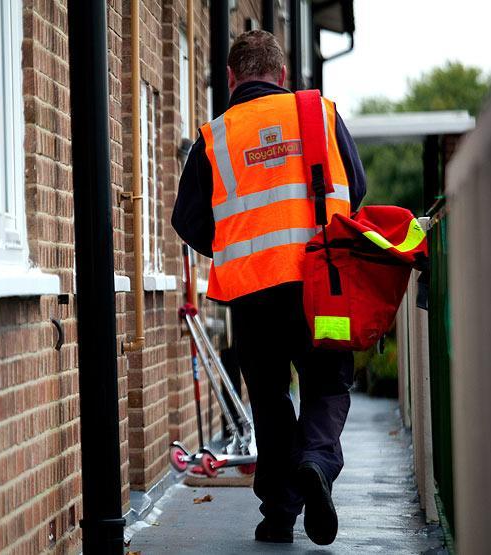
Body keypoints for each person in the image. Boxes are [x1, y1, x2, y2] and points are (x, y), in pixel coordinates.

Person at [171, 30, 366, 546]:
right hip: (320, 283)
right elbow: (358, 189)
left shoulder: (215, 135)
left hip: (254, 296)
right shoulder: (319, 113)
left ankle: (279, 515)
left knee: (271, 398)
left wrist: (238, 245)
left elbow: (186, 219)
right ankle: (318, 463)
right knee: (327, 381)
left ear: (232, 79)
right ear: (282, 76)